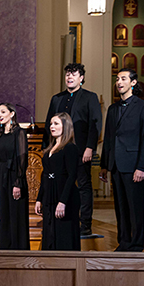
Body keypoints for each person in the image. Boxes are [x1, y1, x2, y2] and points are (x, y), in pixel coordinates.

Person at [42, 63, 102, 236]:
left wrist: (90, 147)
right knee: (59, 183)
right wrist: (47, 149)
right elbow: (49, 124)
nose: (70, 77)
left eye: (74, 74)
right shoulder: (57, 98)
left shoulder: (90, 97)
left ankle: (85, 224)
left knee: (83, 185)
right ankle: (61, 218)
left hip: (82, 150)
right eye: (68, 74)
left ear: (81, 78)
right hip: (59, 150)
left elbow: (95, 124)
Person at [100, 68, 144, 252]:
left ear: (133, 82)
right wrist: (104, 166)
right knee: (121, 207)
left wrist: (141, 167)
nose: (119, 82)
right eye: (117, 79)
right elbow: (108, 137)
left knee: (135, 207)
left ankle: (136, 244)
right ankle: (123, 242)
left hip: (133, 166)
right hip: (115, 165)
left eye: (123, 78)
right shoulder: (113, 108)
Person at [36, 112, 81, 251]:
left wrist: (63, 202)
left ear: (65, 126)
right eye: (50, 124)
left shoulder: (69, 147)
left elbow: (72, 175)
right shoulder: (50, 149)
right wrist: (39, 199)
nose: (51, 127)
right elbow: (45, 175)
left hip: (64, 196)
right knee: (50, 233)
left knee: (64, 235)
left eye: (56, 124)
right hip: (50, 195)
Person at [0, 103, 30, 250]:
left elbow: (22, 159)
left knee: (16, 214)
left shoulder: (19, 132)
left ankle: (18, 250)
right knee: (5, 215)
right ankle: (5, 249)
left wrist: (18, 183)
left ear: (12, 114)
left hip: (15, 175)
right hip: (2, 176)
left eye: (3, 112)